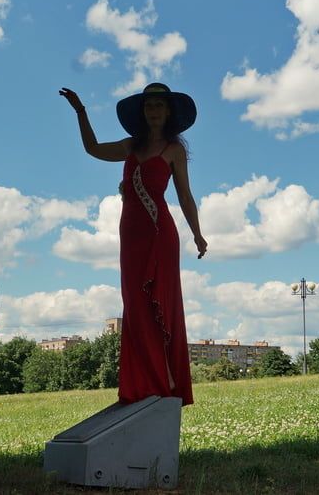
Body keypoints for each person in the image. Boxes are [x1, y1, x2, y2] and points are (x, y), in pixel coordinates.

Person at [59, 82, 208, 406]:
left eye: (159, 105)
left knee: (161, 304)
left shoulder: (174, 150)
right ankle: (142, 384)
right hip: (131, 237)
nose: (153, 110)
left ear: (168, 112)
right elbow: (93, 149)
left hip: (160, 235)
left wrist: (197, 233)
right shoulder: (130, 146)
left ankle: (166, 380)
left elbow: (184, 195)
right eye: (149, 105)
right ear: (143, 112)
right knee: (136, 307)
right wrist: (81, 112)